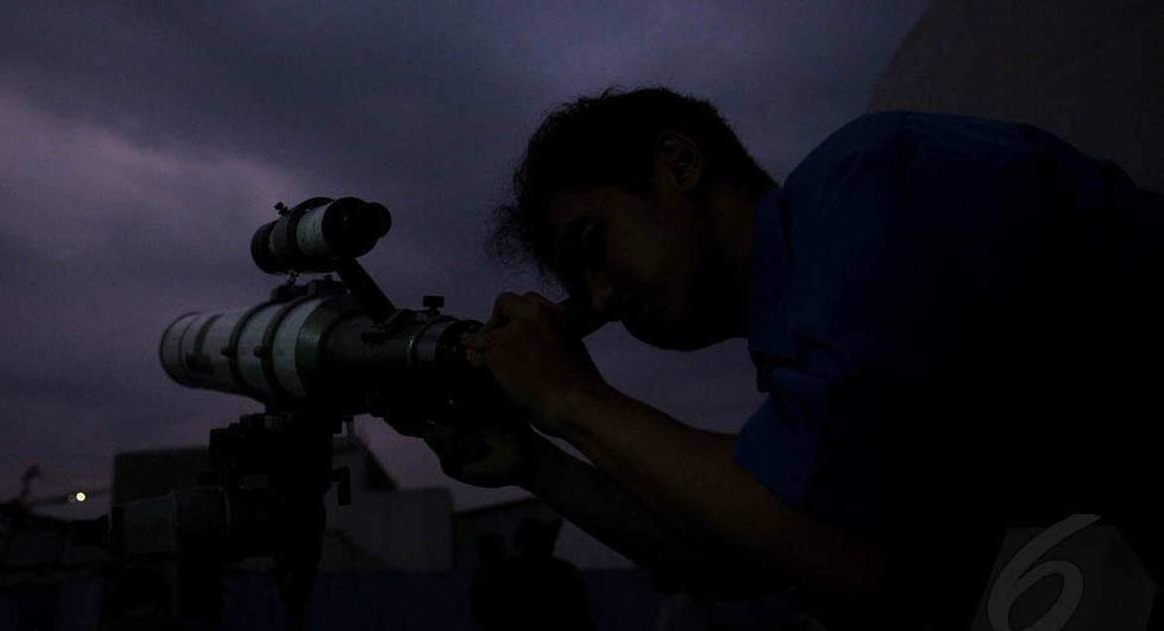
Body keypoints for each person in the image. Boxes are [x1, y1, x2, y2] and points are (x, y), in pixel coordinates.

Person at [415, 87, 1164, 629]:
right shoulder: (805, 340)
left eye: (592, 245)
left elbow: (847, 552)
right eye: (578, 284)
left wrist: (573, 400)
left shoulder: (863, 184)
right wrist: (531, 460)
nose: (600, 298)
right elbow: (751, 554)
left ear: (677, 162)